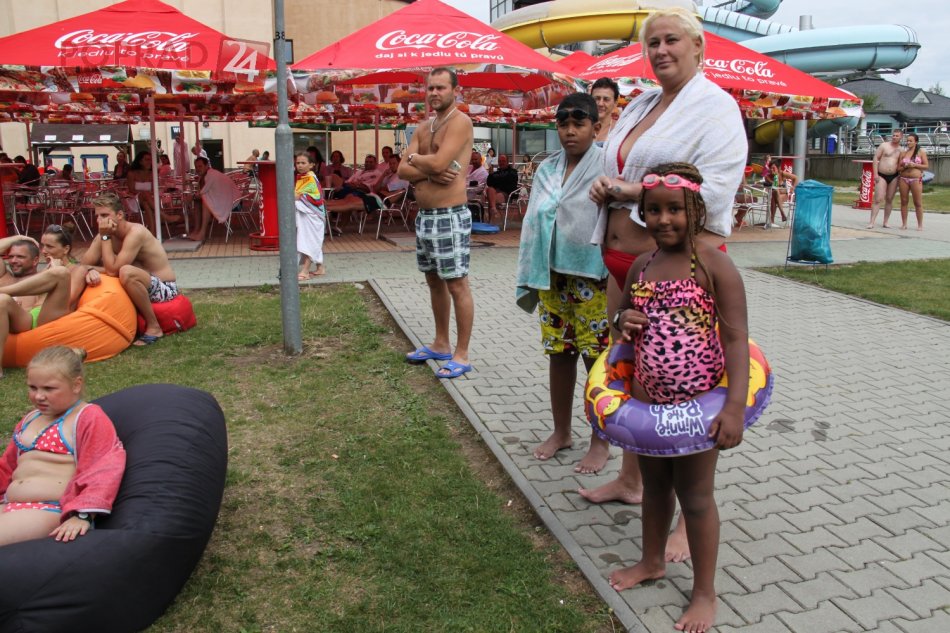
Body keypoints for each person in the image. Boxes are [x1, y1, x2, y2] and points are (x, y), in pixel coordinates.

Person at [584, 6, 746, 560]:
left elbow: (715, 189)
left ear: (699, 46)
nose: (660, 51)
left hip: (681, 274)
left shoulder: (716, 107)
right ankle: (633, 480)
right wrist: (606, 185)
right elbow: (617, 162)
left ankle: (688, 515)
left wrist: (632, 192)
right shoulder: (642, 102)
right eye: (651, 43)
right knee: (636, 378)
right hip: (626, 266)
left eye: (671, 40)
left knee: (686, 383)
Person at [610, 163, 749, 633]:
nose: (663, 219)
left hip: (698, 406)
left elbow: (736, 339)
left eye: (674, 209)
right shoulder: (642, 266)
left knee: (695, 496)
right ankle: (652, 561)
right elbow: (621, 318)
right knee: (655, 489)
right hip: (649, 403)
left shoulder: (713, 265)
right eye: (653, 210)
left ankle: (704, 592)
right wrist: (623, 322)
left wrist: (734, 407)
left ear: (695, 209)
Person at [516, 93, 611, 473]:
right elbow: (533, 222)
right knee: (559, 353)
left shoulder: (607, 164)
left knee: (596, 358)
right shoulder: (547, 168)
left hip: (593, 278)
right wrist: (528, 274)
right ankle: (562, 431)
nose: (570, 131)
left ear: (596, 127)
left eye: (579, 123)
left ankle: (601, 439)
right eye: (563, 124)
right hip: (551, 275)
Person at [0, 345, 125, 546]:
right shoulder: (30, 419)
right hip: (9, 504)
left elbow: (103, 467)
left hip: (47, 509)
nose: (38, 396)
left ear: (76, 385)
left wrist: (83, 514)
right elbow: (7, 465)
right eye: (33, 387)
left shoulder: (86, 417)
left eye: (49, 389)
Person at [398, 67, 475, 379]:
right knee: (433, 280)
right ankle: (441, 344)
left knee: (456, 283)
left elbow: (442, 162)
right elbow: (401, 170)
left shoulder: (460, 122)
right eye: (430, 88)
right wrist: (426, 170)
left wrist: (415, 160)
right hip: (426, 216)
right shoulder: (423, 127)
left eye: (441, 87)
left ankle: (462, 354)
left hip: (450, 215)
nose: (434, 93)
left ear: (455, 90)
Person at [81, 192, 179, 346]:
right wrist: (89, 270)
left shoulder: (136, 232)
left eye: (105, 215)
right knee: (84, 272)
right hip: (139, 284)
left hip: (164, 288)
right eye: (97, 216)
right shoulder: (104, 234)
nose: (100, 221)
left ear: (119, 215)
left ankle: (154, 327)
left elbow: (113, 271)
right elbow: (83, 266)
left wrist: (105, 238)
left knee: (126, 271)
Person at [0, 238, 76, 376]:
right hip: (7, 314)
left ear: (35, 261)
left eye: (20, 257)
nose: (13, 261)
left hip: (28, 320)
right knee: (3, 299)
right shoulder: (4, 277)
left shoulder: (43, 277)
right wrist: (21, 237)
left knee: (61, 272)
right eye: (10, 257)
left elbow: (67, 274)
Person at [40, 224, 97, 311]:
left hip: (52, 316)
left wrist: (57, 272)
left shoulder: (76, 271)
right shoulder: (46, 269)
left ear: (66, 249)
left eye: (49, 246)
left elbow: (64, 303)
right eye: (43, 245)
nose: (43, 251)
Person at [185, 157, 240, 243]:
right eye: (196, 167)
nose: (198, 169)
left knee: (206, 203)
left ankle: (202, 233)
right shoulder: (205, 176)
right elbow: (201, 194)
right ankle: (196, 230)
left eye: (200, 166)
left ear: (207, 165)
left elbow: (202, 193)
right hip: (224, 199)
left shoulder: (211, 175)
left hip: (235, 203)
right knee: (198, 202)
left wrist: (191, 197)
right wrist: (194, 197)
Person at [293, 152, 326, 280]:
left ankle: (305, 271)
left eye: (303, 163)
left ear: (311, 165)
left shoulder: (310, 178)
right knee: (313, 239)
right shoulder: (303, 177)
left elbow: (315, 197)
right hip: (308, 214)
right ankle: (320, 267)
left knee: (309, 241)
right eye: (298, 163)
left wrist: (297, 196)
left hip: (312, 215)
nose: (300, 165)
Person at [868, 129, 903, 229]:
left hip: (894, 176)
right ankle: (871, 222)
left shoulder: (901, 150)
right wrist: (875, 174)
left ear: (901, 137)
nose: (894, 137)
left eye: (897, 136)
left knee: (889, 199)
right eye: (893, 135)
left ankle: (885, 222)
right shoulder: (884, 146)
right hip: (881, 175)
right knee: (878, 199)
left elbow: (900, 164)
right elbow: (876, 158)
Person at [898, 132, 928, 231]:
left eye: (910, 141)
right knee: (904, 201)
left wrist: (915, 165)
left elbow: (926, 166)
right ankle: (904, 224)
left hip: (916, 179)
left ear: (916, 142)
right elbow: (898, 168)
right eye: (907, 141)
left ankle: (920, 225)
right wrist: (905, 166)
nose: (908, 142)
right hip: (903, 178)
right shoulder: (903, 153)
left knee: (917, 202)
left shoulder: (921, 152)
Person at [127, 150, 158, 234]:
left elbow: (154, 189)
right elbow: (131, 189)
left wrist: (148, 194)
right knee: (145, 194)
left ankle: (152, 233)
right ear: (140, 161)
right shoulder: (132, 173)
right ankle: (163, 215)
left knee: (146, 204)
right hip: (134, 200)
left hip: (148, 201)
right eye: (147, 159)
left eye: (150, 160)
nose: (149, 162)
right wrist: (144, 193)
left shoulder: (152, 174)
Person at [485, 154, 520, 224]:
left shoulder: (513, 172)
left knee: (491, 198)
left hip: (507, 194)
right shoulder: (496, 173)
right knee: (490, 189)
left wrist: (496, 178)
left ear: (507, 162)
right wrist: (491, 174)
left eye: (503, 161)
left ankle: (491, 221)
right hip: (495, 193)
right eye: (500, 161)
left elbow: (506, 179)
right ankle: (493, 209)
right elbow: (489, 183)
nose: (501, 163)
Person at [766, 161, 798, 227]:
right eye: (770, 168)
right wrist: (775, 176)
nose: (771, 170)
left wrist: (793, 187)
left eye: (773, 168)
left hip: (783, 195)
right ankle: (782, 213)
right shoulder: (768, 176)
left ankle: (772, 220)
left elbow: (795, 178)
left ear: (778, 168)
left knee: (774, 194)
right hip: (774, 195)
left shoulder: (782, 173)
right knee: (775, 193)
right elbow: (775, 185)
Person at [591, 77, 620, 145]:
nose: (600, 104)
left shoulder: (619, 130)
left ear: (615, 103)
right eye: (597, 98)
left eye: (606, 99)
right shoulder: (580, 126)